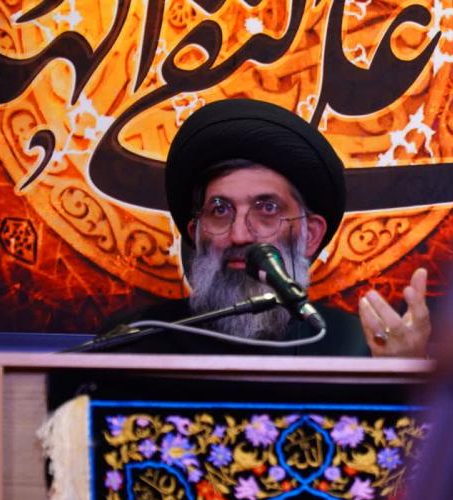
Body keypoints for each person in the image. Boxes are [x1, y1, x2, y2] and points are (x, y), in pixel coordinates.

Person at [105, 98, 431, 357]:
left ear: (310, 235)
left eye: (267, 209)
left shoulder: (355, 348)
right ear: (196, 234)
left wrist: (404, 375)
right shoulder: (136, 341)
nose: (240, 235)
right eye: (220, 210)